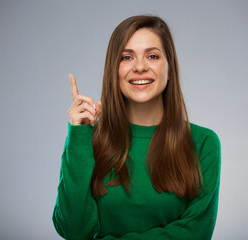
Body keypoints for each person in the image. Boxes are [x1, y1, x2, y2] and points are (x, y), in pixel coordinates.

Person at [52, 15, 221, 240]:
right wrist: (79, 135)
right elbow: (73, 230)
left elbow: (195, 233)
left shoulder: (203, 143)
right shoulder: (87, 141)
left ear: (169, 68)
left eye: (152, 56)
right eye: (126, 57)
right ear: (114, 70)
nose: (140, 67)